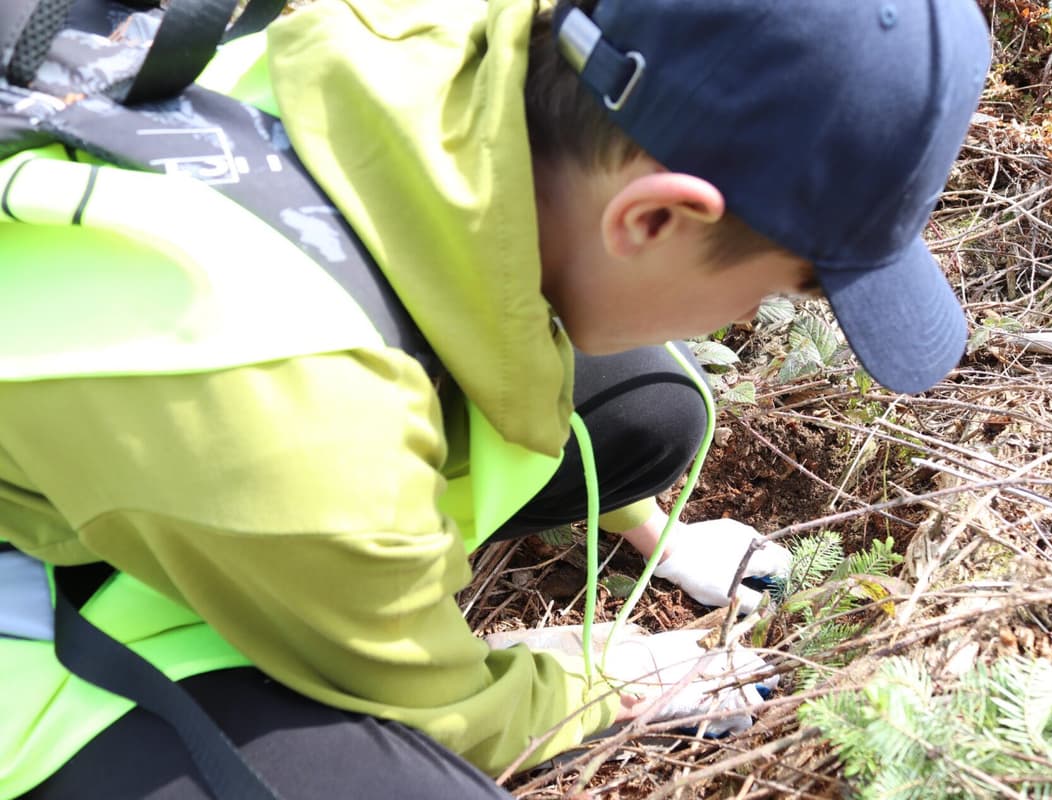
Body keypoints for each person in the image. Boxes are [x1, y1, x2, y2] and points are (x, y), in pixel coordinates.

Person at [0, 0, 990, 797]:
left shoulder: (467, 37)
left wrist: (660, 539)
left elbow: (483, 288)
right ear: (653, 217)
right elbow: (442, 709)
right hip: (53, 562)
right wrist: (604, 676)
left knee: (647, 409)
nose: (745, 314)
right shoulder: (306, 415)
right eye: (782, 285)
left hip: (185, 425)